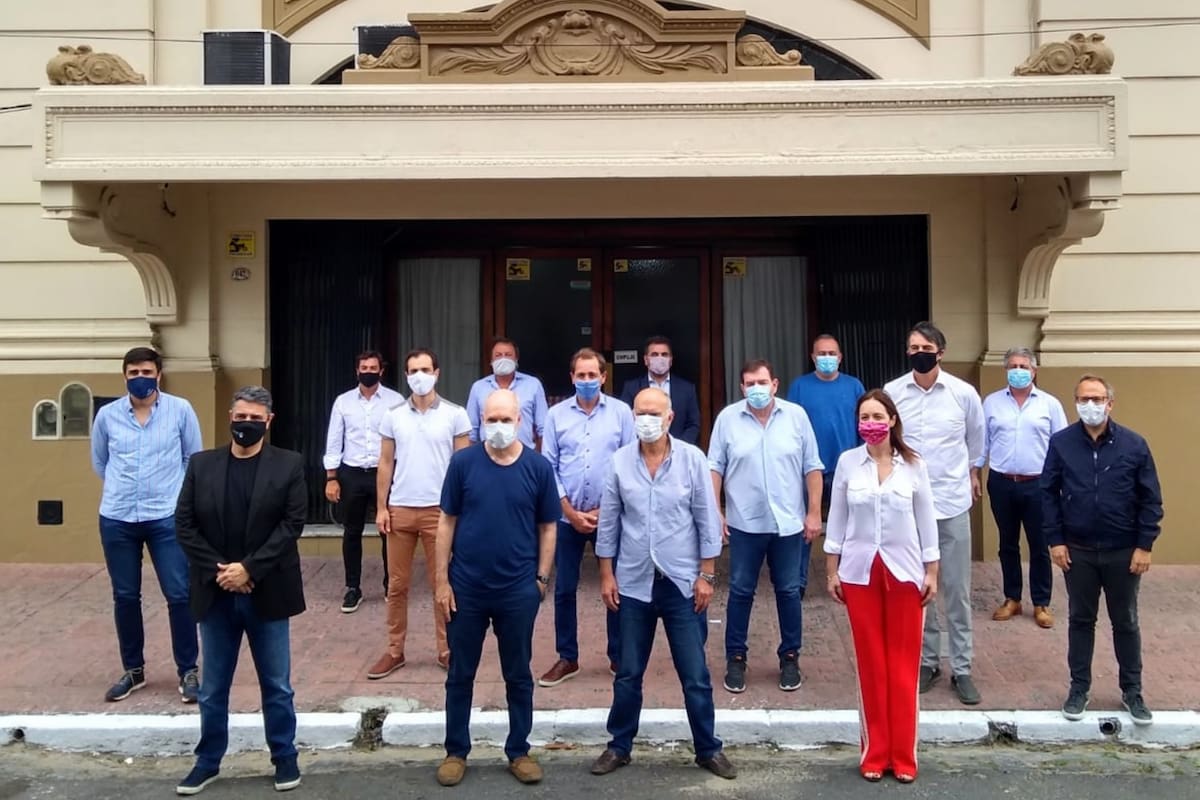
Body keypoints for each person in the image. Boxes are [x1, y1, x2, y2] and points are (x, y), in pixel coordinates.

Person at [590, 388, 736, 780]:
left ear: (670, 418)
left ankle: (708, 748)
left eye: (654, 412)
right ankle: (619, 745)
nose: (646, 419)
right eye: (640, 412)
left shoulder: (692, 459)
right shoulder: (619, 462)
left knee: (695, 675)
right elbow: (609, 523)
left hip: (682, 583)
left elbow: (707, 520)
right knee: (628, 672)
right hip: (634, 582)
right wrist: (606, 572)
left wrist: (707, 575)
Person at [173, 386, 307, 795]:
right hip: (216, 594)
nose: (245, 425)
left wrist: (249, 568)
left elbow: (292, 524)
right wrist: (223, 572)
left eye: (254, 418)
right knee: (213, 688)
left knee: (277, 686)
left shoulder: (289, 465)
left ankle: (284, 757)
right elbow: (184, 524)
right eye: (239, 417)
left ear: (269, 421)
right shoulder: (202, 465)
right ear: (229, 417)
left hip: (267, 592)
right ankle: (208, 761)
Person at [434, 390, 559, 787]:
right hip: (466, 588)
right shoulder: (463, 463)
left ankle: (519, 750)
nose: (499, 427)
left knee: (518, 674)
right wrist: (440, 581)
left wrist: (540, 580)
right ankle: (456, 751)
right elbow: (446, 523)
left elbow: (548, 527)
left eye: (506, 420)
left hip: (517, 590)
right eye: (492, 419)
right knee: (460, 673)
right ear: (481, 421)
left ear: (519, 421)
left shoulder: (538, 468)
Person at [825, 389, 939, 784]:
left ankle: (903, 755)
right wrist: (831, 569)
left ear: (891, 420)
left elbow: (927, 519)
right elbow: (836, 517)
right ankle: (875, 751)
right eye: (864, 416)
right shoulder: (847, 463)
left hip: (905, 572)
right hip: (859, 572)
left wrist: (932, 571)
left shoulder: (913, 465)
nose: (870, 423)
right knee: (871, 663)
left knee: (903, 664)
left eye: (878, 415)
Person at [1043, 375, 1163, 726]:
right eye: (1083, 399)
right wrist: (1055, 540)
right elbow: (1048, 494)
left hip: (1123, 551)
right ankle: (1079, 689)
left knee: (1125, 621)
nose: (1090, 405)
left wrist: (1144, 545)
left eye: (1097, 399)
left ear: (1110, 403)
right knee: (1081, 620)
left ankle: (1132, 691)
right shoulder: (1062, 443)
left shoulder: (1134, 445)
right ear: (1075, 402)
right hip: (1076, 551)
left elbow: (1150, 500)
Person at [90, 346, 202, 704]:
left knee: (179, 594)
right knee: (125, 596)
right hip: (118, 518)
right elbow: (100, 462)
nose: (140, 378)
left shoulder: (180, 410)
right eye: (134, 373)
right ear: (124, 376)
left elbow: (192, 459)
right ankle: (134, 670)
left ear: (159, 374)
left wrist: (177, 503)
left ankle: (188, 671)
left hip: (165, 516)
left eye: (146, 372)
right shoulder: (107, 416)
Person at [883, 321, 985, 706]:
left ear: (940, 352)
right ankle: (928, 661)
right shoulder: (894, 392)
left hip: (951, 504)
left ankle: (962, 668)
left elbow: (976, 441)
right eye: (912, 347)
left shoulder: (963, 394)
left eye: (925, 347)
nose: (918, 353)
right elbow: (889, 442)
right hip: (908, 508)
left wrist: (972, 473)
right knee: (916, 590)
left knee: (956, 590)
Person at [708, 358, 823, 694]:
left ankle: (790, 657)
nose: (756, 389)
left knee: (789, 591)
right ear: (742, 387)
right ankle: (736, 658)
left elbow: (812, 467)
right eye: (749, 384)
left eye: (762, 383)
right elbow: (714, 467)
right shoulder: (728, 419)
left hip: (788, 523)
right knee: (741, 590)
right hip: (745, 523)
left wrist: (814, 512)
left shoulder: (796, 417)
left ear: (774, 384)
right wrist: (716, 512)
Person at [368, 348, 470, 679]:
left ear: (437, 373)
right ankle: (395, 650)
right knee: (396, 585)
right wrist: (382, 507)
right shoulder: (393, 415)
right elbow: (385, 463)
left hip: (440, 512)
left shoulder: (456, 415)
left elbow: (462, 466)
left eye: (425, 369)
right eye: (413, 370)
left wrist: (461, 509)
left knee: (443, 582)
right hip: (400, 509)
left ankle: (447, 649)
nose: (419, 376)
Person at [538, 348, 635, 687]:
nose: (587, 381)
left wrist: (603, 510)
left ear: (604, 377)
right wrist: (568, 510)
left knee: (615, 586)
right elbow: (547, 465)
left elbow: (629, 463)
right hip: (567, 518)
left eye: (593, 375)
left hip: (609, 515)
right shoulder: (555, 416)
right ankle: (568, 657)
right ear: (572, 377)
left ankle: (619, 655)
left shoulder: (622, 413)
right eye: (581, 375)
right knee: (564, 588)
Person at [979, 347, 1068, 629]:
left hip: (1038, 484)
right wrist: (974, 473)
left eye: (1024, 366)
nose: (1018, 370)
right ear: (1006, 370)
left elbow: (1061, 446)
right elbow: (983, 442)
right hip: (1002, 482)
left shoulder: (1049, 404)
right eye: (1013, 366)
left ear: (1034, 370)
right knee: (1007, 543)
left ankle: (1041, 603)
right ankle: (1012, 598)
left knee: (1040, 545)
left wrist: (1061, 483)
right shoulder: (992, 403)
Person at [323, 350, 404, 614]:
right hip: (353, 473)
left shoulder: (395, 400)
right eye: (363, 367)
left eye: (373, 367)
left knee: (388, 531)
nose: (368, 371)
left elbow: (403, 438)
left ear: (381, 371)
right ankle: (352, 587)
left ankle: (390, 585)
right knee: (352, 531)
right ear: (357, 371)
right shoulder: (343, 402)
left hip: (385, 471)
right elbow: (334, 440)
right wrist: (332, 478)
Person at [786, 333, 866, 517]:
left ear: (839, 357)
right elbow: (790, 429)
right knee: (805, 523)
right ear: (813, 357)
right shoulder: (799, 386)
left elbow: (864, 427)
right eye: (822, 353)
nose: (827, 357)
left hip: (847, 467)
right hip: (808, 468)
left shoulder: (854, 386)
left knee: (849, 523)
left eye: (831, 353)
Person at [466, 337, 549, 449]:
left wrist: (538, 458)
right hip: (487, 456)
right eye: (498, 355)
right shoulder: (478, 387)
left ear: (516, 359)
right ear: (491, 361)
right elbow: (471, 431)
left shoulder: (533, 385)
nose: (503, 359)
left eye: (508, 355)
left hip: (524, 455)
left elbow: (543, 429)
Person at [618, 335, 702, 445]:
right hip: (642, 450)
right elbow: (626, 423)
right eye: (654, 354)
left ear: (671, 360)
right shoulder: (631, 387)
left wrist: (679, 448)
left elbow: (693, 424)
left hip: (678, 453)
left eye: (664, 354)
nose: (659, 358)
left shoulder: (687, 389)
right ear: (646, 360)